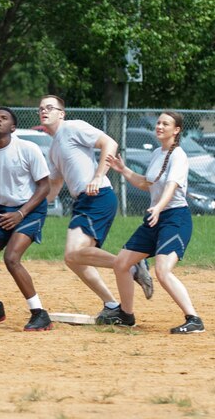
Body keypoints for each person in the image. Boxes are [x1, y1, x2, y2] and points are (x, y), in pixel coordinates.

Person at [38, 95, 153, 321]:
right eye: (41, 108)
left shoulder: (72, 127)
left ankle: (130, 264)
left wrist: (98, 176)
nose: (44, 111)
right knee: (73, 258)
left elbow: (110, 143)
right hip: (84, 201)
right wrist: (31, 210)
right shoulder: (53, 148)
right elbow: (55, 185)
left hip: (98, 195)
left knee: (74, 253)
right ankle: (112, 304)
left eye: (50, 108)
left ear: (62, 113)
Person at [102, 112, 204, 333]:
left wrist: (158, 208)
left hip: (175, 218)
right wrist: (124, 170)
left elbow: (171, 187)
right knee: (121, 263)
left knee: (163, 270)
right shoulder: (158, 153)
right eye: (158, 122)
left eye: (165, 123)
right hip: (155, 216)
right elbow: (147, 184)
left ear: (176, 130)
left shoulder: (179, 155)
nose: (159, 126)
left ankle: (194, 319)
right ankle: (126, 315)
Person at [0, 108, 53, 331]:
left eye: (4, 118)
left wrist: (21, 214)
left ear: (13, 127)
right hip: (3, 212)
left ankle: (39, 313)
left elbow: (45, 186)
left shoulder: (28, 149)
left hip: (30, 210)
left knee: (11, 258)